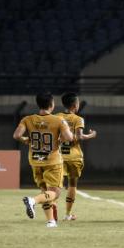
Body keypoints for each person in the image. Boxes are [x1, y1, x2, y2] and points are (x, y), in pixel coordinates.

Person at [13, 92, 73, 228]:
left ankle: (51, 221)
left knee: (45, 191)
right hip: (52, 161)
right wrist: (60, 138)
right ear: (52, 105)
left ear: (38, 104)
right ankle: (32, 200)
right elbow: (69, 137)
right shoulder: (58, 120)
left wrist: (26, 140)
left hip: (35, 160)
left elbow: (16, 135)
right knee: (55, 192)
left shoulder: (27, 119)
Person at [56, 93, 97, 221]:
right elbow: (79, 137)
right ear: (75, 105)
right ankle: (67, 214)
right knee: (72, 184)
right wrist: (91, 135)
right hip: (74, 156)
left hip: (59, 156)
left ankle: (52, 214)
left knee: (56, 185)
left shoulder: (56, 117)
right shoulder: (78, 119)